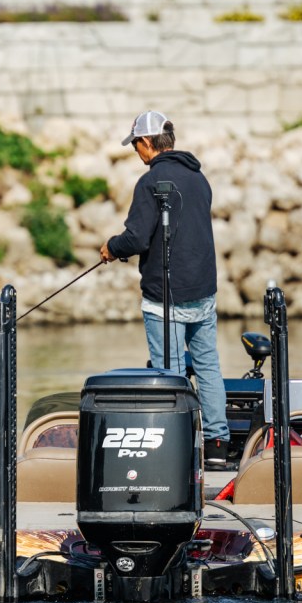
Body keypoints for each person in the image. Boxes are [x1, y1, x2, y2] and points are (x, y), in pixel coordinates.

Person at [100, 110, 230, 463]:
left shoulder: (150, 182)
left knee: (169, 374)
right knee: (208, 368)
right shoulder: (199, 178)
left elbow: (137, 238)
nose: (136, 153)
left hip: (165, 298)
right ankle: (218, 443)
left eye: (135, 146)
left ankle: (177, 449)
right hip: (203, 292)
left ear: (147, 142)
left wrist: (111, 247)